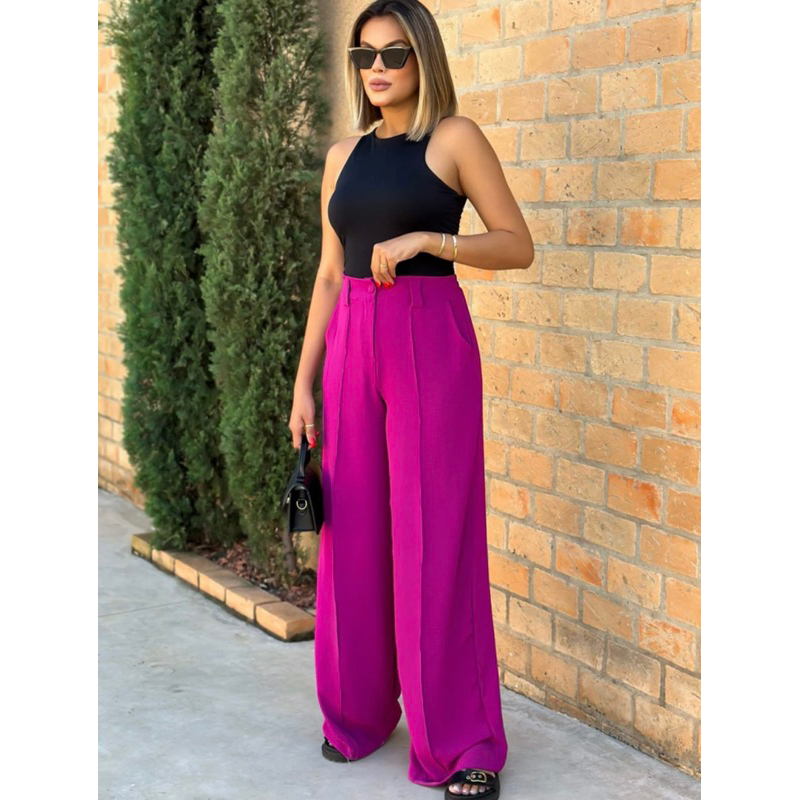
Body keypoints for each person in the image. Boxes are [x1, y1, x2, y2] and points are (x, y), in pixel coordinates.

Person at [289, 1, 534, 797]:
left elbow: (517, 244)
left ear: (422, 56)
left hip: (429, 337)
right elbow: (330, 275)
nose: (378, 68)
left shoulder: (453, 139)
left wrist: (431, 240)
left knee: (435, 534)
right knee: (353, 531)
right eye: (364, 55)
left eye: (394, 53)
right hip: (351, 343)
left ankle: (462, 742)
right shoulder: (343, 156)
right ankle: (356, 715)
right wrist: (303, 382)